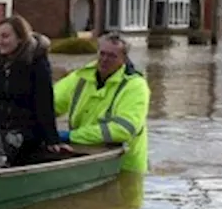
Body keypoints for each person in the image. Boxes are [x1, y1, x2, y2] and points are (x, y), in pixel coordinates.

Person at [0, 15, 72, 166]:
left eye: (5, 36)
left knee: (7, 148)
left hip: (25, 130)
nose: (0, 41)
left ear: (20, 38)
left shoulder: (36, 64)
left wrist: (52, 139)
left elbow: (44, 103)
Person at [53, 31, 151, 174]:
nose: (105, 59)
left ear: (124, 59)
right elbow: (52, 102)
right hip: (84, 158)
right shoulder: (81, 76)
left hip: (124, 167)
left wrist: (70, 136)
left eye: (112, 56)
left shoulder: (136, 86)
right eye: (102, 53)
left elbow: (123, 129)